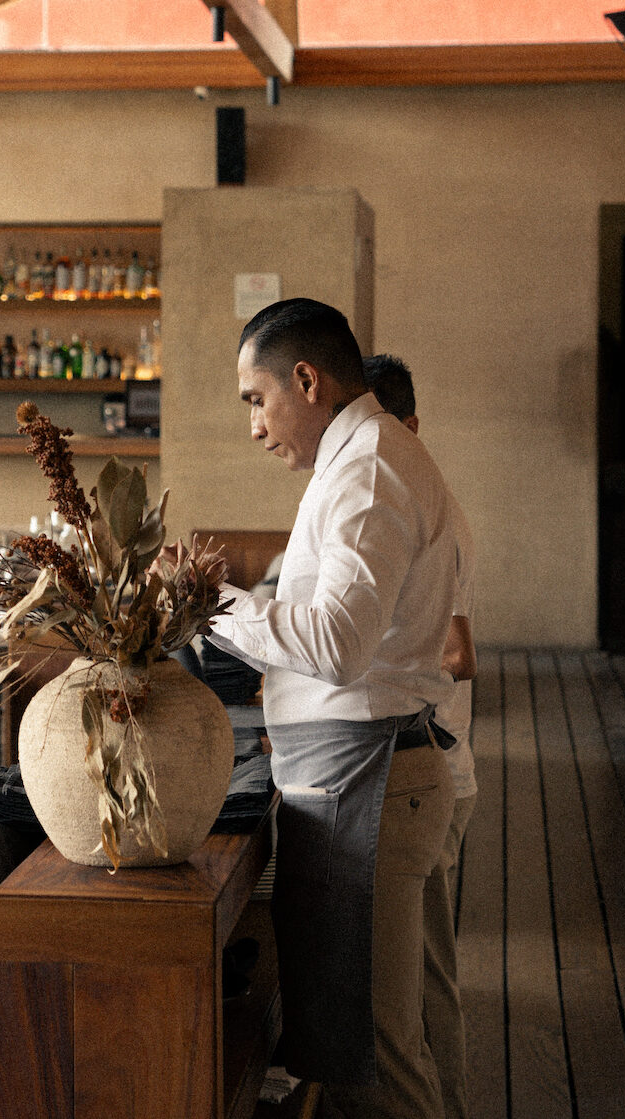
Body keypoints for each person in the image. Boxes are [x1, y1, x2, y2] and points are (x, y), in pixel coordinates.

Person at [206, 298, 457, 1119]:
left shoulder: (370, 468)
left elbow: (339, 644)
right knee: (355, 1055)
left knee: (375, 1061)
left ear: (307, 380)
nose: (254, 425)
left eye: (257, 398)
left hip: (370, 783)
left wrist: (211, 602)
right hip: (356, 780)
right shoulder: (357, 461)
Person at [364, 353, 477, 1119]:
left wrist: (360, 657)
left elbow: (459, 652)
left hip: (434, 764)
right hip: (431, 762)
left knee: (425, 982)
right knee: (424, 976)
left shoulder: (433, 513)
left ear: (411, 427)